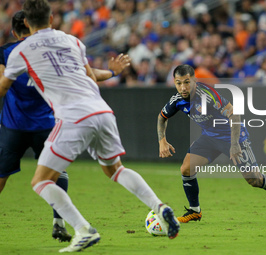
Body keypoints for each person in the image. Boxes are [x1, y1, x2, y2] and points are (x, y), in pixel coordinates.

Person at [0, 0, 180, 252]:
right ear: (52, 19)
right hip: (102, 110)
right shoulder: (72, 41)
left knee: (40, 181)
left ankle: (83, 230)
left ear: (27, 23)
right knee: (115, 170)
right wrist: (112, 73)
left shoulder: (21, 51)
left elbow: (3, 87)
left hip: (73, 116)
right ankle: (160, 207)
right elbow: (91, 76)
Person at [157, 64, 266, 224]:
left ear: (194, 81)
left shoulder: (207, 95)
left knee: (254, 180)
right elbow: (162, 117)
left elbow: (234, 115)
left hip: (233, 136)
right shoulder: (176, 100)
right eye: (178, 83)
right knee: (186, 168)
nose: (183, 87)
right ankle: (194, 211)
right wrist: (162, 140)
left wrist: (234, 144)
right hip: (209, 137)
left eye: (186, 82)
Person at [0, 10, 71, 243]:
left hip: (13, 126)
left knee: (1, 176)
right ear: (32, 27)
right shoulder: (49, 51)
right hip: (44, 124)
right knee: (58, 172)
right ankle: (59, 224)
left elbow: (2, 85)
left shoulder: (6, 53)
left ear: (13, 31)